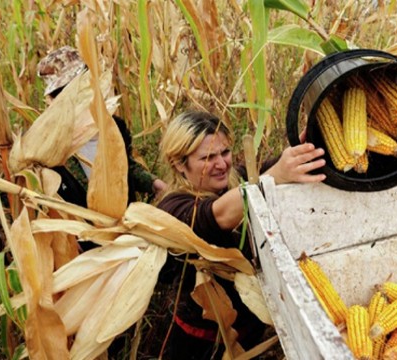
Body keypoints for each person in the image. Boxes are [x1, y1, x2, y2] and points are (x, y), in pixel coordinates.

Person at [156, 110, 326, 359]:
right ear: (179, 163)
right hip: (201, 343)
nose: (221, 164)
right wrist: (273, 177)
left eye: (224, 152)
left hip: (249, 332)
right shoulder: (171, 208)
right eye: (208, 157)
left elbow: (264, 170)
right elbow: (216, 215)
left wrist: (300, 151)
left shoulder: (232, 180)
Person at [37, 46, 167, 208]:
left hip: (124, 223)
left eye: (75, 89)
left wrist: (152, 183)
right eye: (60, 93)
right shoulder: (46, 146)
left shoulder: (114, 127)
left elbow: (125, 166)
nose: (69, 99)